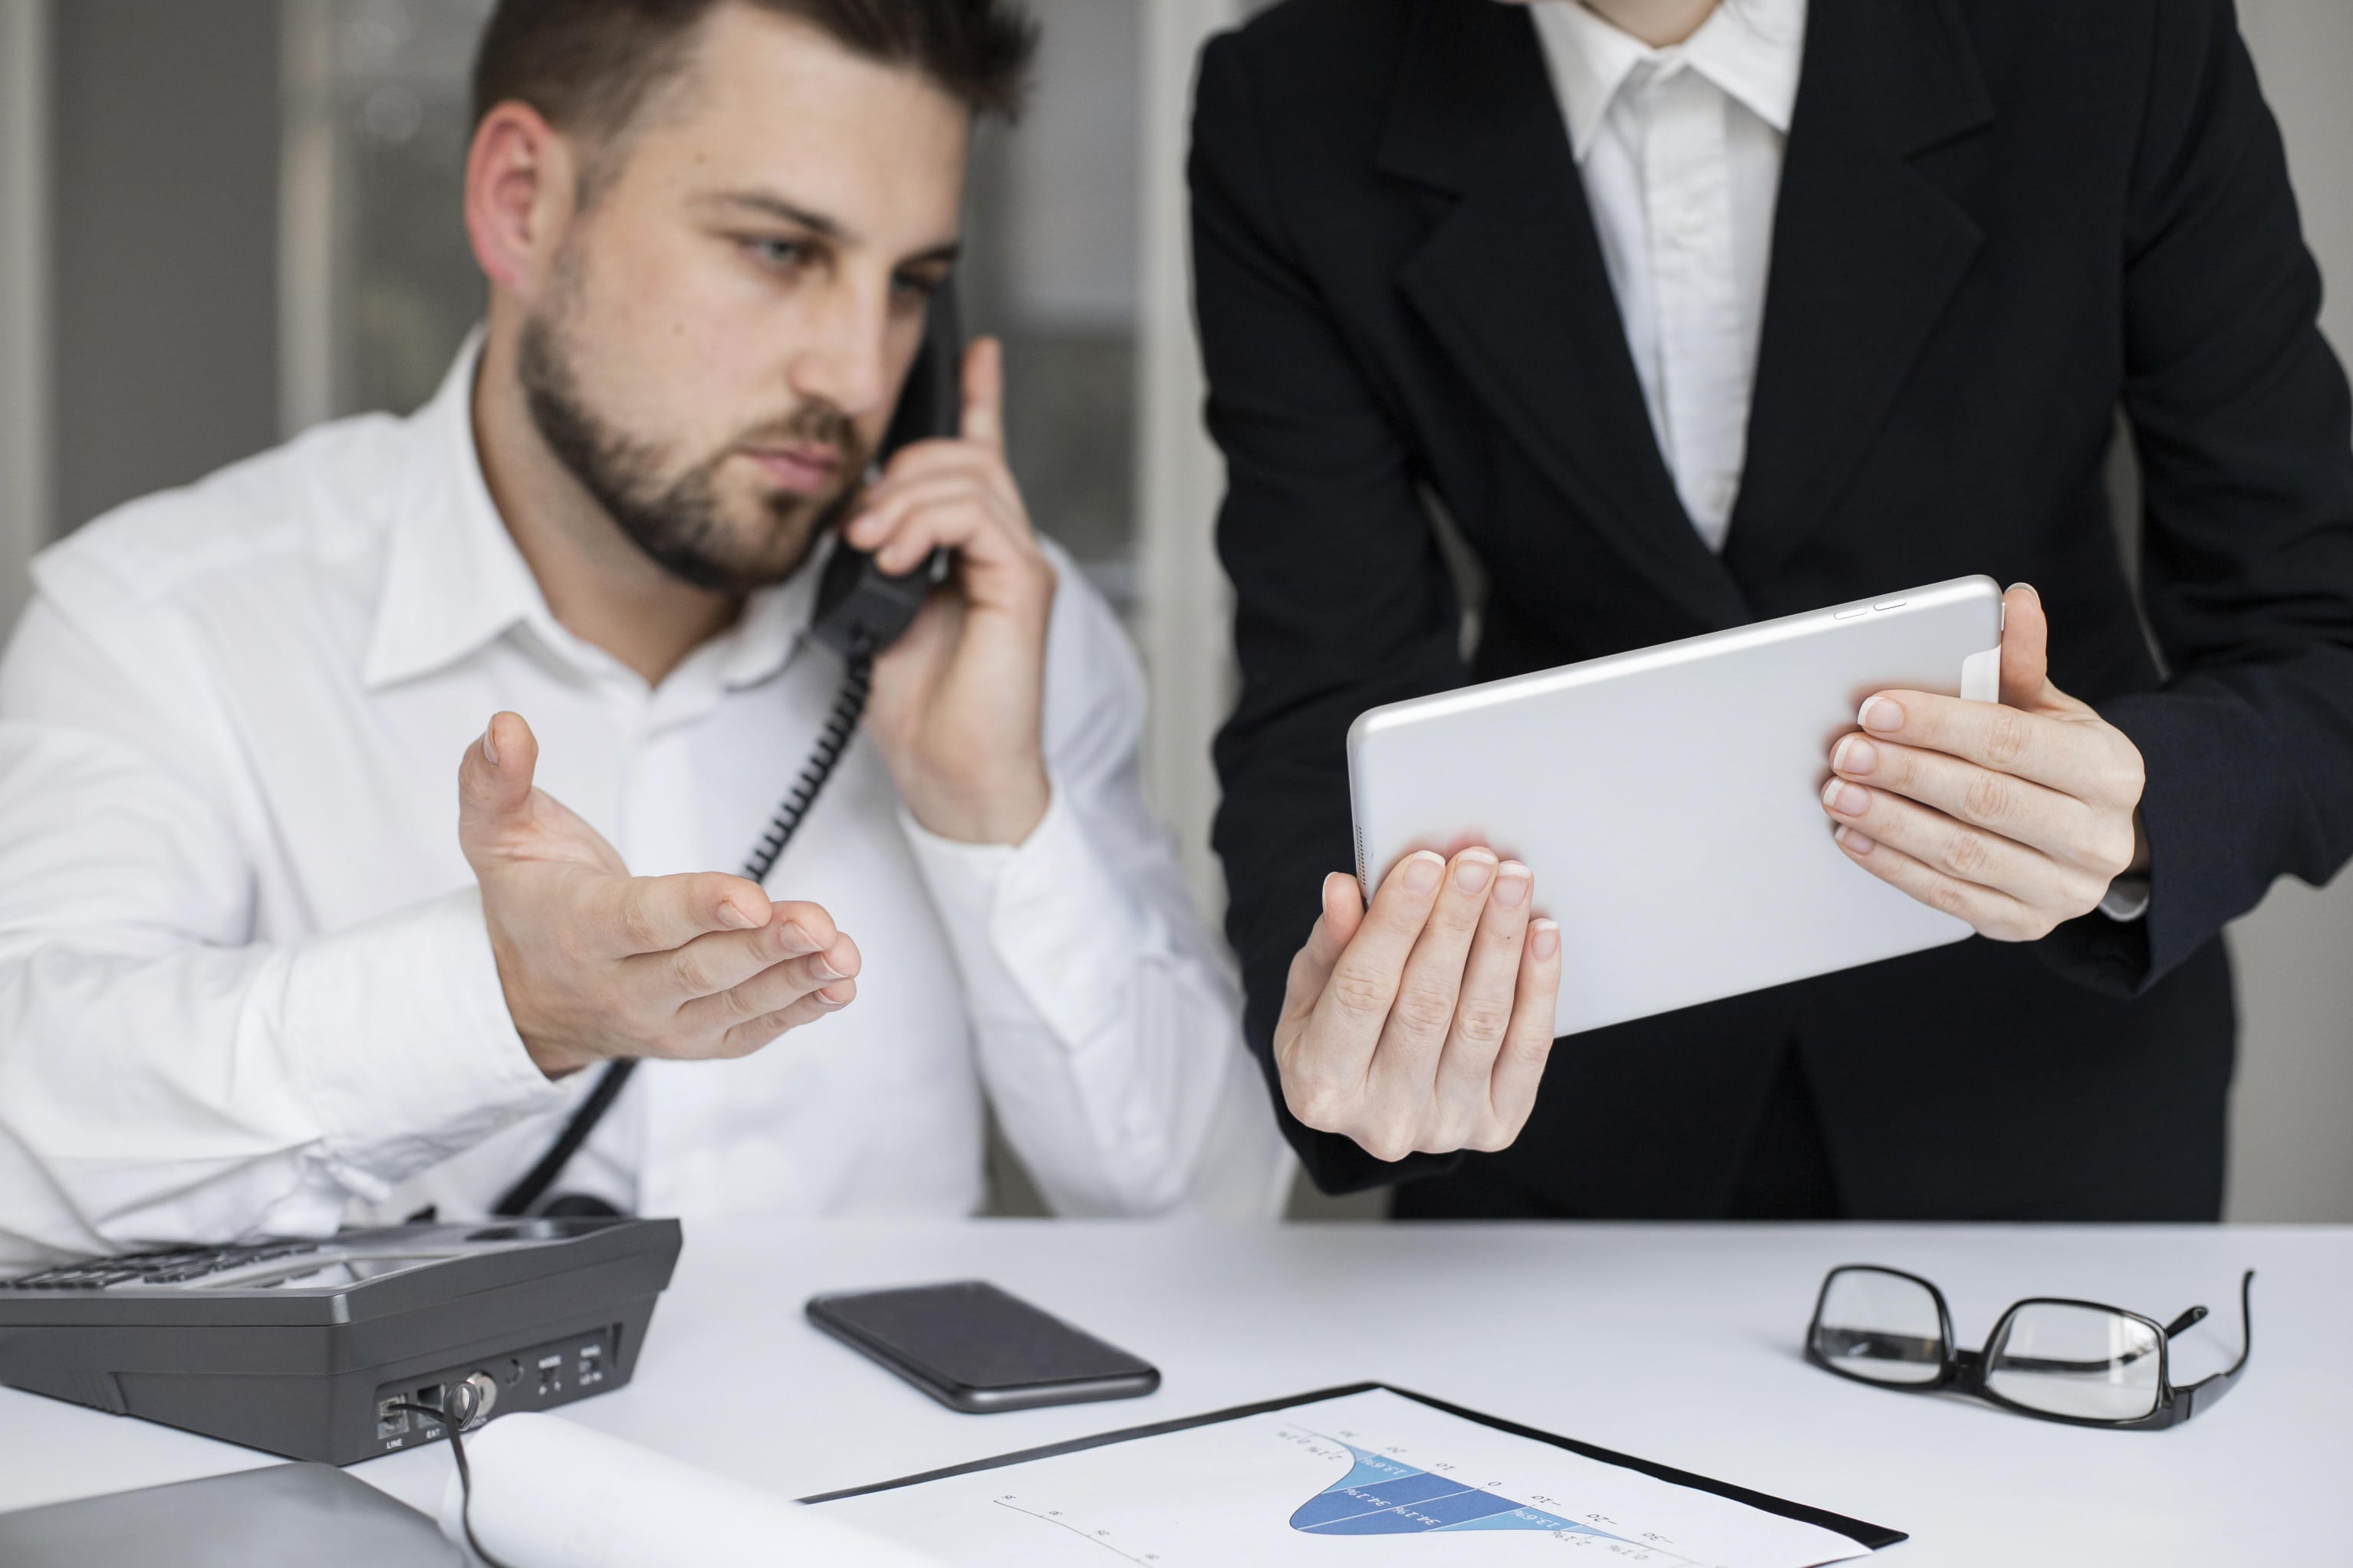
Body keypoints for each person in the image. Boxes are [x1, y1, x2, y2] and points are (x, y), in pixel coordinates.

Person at [0, 0, 1288, 1271]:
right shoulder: (163, 621)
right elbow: (23, 1139)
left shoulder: (998, 637)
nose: (854, 375)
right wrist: (503, 999)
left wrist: (995, 813)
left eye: (909, 287)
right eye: (781, 250)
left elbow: (1219, 1222)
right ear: (522, 204)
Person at [1193, 0, 2353, 1220]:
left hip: (2036, 1110)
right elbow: (1320, 694)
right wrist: (1339, 1029)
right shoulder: (1290, 104)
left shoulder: (2115, 33)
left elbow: (2319, 630)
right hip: (1559, 1126)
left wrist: (2138, 812)